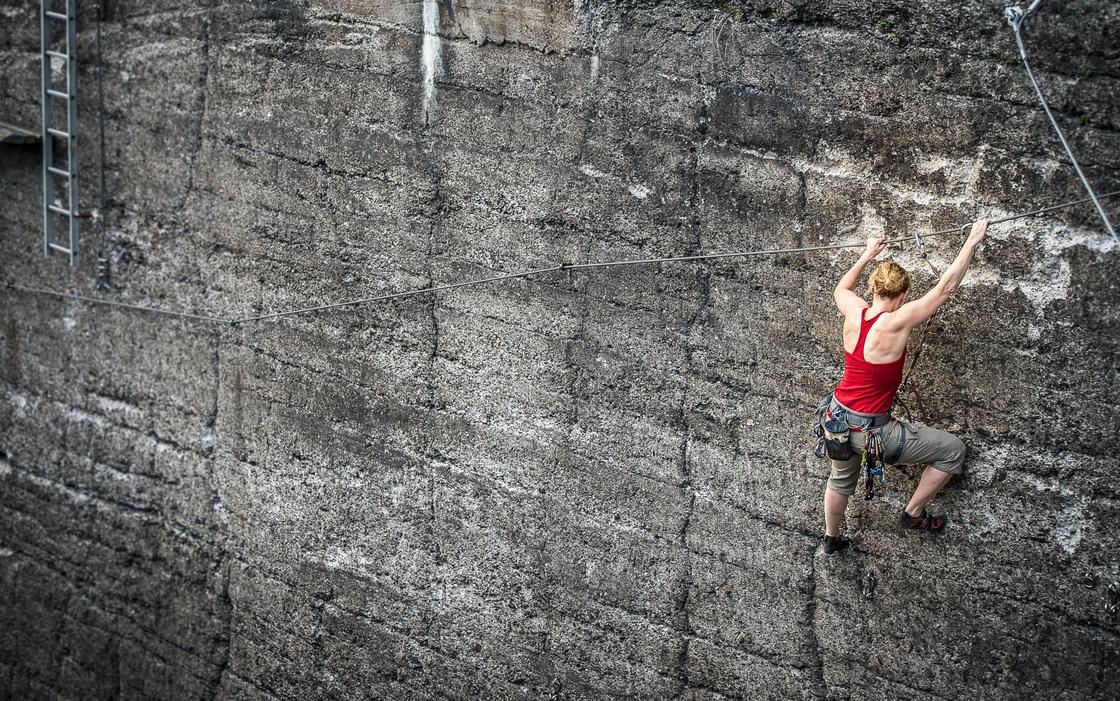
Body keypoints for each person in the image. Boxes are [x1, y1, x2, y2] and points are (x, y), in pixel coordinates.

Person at [822, 219, 989, 554]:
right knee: (952, 450)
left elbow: (841, 288)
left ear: (872, 289)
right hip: (874, 432)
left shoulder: (853, 310)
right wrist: (971, 241)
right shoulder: (897, 321)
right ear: (903, 295)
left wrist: (867, 254)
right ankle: (913, 512)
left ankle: (831, 538)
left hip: (836, 419)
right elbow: (945, 288)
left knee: (839, 480)